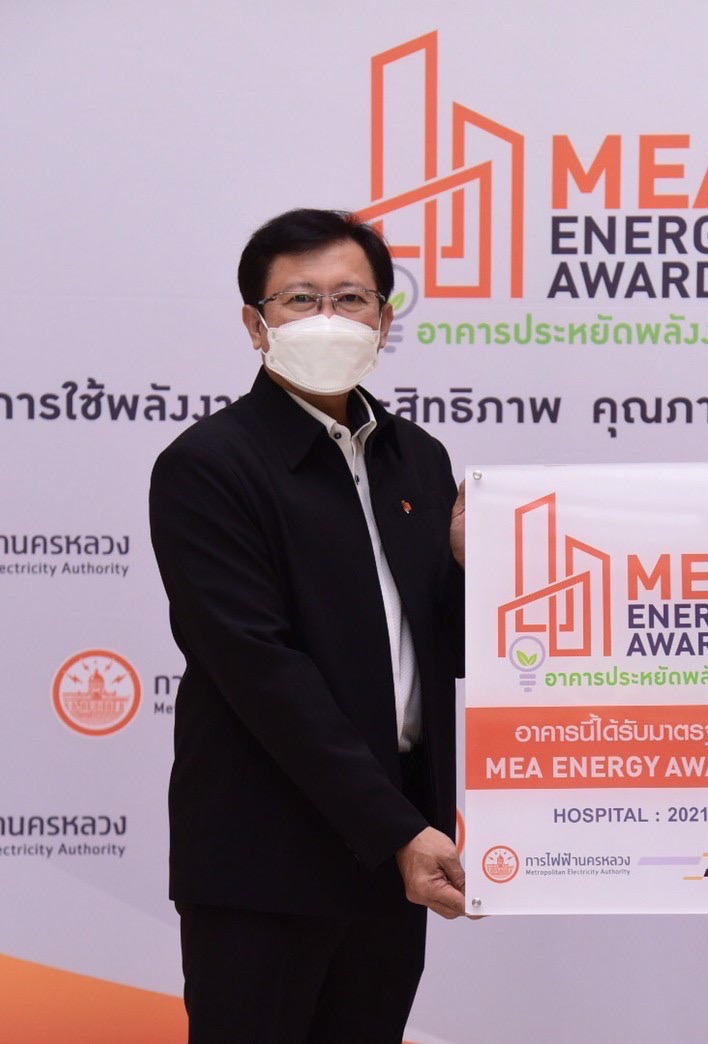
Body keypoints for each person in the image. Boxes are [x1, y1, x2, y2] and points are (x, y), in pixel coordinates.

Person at [149, 208, 467, 1041]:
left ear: (385, 318)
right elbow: (261, 672)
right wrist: (396, 830)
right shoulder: (208, 467)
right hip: (267, 857)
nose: (329, 318)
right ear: (256, 325)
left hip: (395, 845)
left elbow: (444, 649)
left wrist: (476, 572)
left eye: (351, 298)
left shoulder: (420, 458)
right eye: (300, 299)